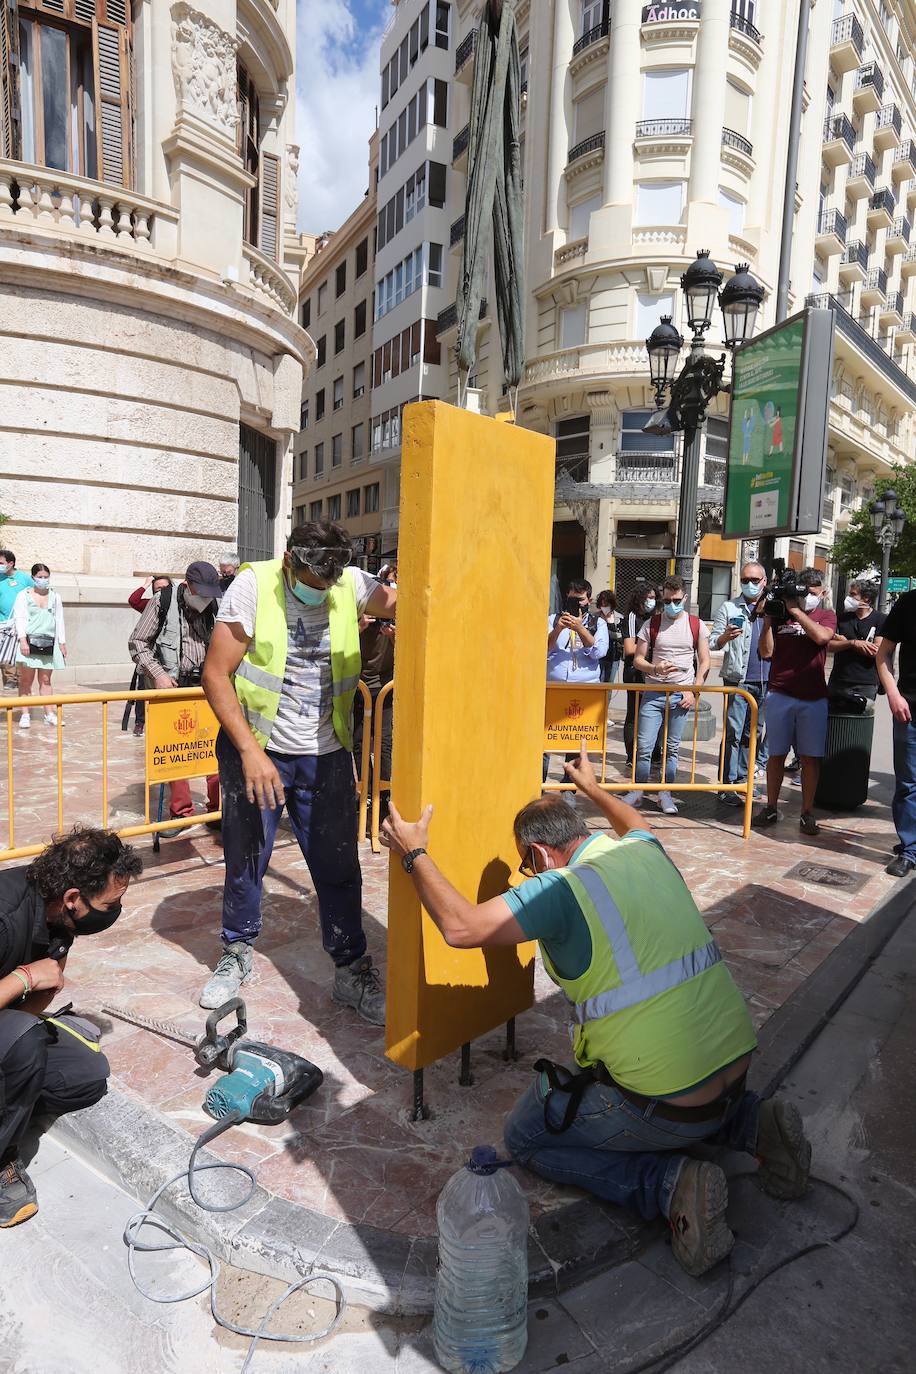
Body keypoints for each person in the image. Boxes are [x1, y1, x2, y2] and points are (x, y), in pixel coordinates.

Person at [378, 748, 811, 1278]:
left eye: (523, 866)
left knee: (526, 1135)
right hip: (737, 1073)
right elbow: (635, 820)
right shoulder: (645, 850)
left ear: (538, 855)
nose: (526, 875)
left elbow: (462, 928)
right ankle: (753, 1126)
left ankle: (670, 1186)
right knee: (677, 1089)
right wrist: (594, 791)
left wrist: (413, 853)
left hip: (668, 1108)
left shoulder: (562, 888)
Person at [199, 521, 397, 1022]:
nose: (320, 590)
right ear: (290, 562)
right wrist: (248, 750)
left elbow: (413, 603)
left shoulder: (349, 583)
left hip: (326, 756)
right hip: (257, 750)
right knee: (246, 856)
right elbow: (216, 673)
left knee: (338, 866)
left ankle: (351, 969)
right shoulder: (253, 585)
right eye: (312, 581)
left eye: (328, 583)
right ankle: (236, 951)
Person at [0, 826, 142, 1226]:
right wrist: (23, 980)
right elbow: (33, 985)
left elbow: (45, 991)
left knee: (84, 1075)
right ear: (73, 898)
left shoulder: (61, 918)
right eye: (111, 902)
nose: (115, 909)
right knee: (23, 1043)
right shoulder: (5, 915)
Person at [128, 561, 222, 821]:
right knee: (176, 752)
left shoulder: (214, 605)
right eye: (200, 592)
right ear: (187, 586)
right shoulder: (163, 601)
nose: (205, 599)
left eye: (209, 593)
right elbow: (137, 642)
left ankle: (217, 810)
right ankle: (181, 812)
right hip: (173, 685)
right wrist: (157, 674)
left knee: (215, 749)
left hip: (207, 687)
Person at [754, 568, 836, 836]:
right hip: (780, 693)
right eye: (806, 593)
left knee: (810, 758)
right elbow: (766, 653)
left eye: (814, 593)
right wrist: (768, 621)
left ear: (821, 593)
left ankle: (807, 812)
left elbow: (823, 638)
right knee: (775, 755)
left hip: (813, 697)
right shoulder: (779, 616)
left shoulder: (826, 615)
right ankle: (771, 806)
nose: (810, 597)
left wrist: (797, 612)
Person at [624, 575, 710, 816]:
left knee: (671, 748)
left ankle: (665, 793)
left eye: (677, 599)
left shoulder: (696, 624)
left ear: (684, 597)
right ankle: (638, 790)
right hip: (653, 693)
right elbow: (638, 659)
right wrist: (654, 668)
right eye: (668, 600)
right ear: (663, 598)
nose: (673, 604)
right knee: (644, 747)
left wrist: (694, 691)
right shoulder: (651, 624)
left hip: (680, 694)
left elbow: (704, 661)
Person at [709, 561, 769, 808]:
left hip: (766, 680)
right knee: (733, 731)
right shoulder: (729, 607)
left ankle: (744, 780)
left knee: (752, 733)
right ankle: (727, 784)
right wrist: (725, 636)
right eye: (746, 580)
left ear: (764, 581)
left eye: (755, 580)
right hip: (738, 679)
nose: (750, 584)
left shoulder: (773, 609)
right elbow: (713, 642)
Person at [544, 579, 608, 786]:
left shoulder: (598, 623)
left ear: (588, 600)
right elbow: (543, 648)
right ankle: (539, 786)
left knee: (575, 743)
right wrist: (558, 630)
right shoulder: (553, 620)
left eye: (580, 600)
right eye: (572, 599)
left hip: (584, 692)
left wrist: (580, 629)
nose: (575, 604)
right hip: (553, 690)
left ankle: (569, 789)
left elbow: (599, 652)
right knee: (544, 742)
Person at [876, 591, 916, 877]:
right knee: (908, 783)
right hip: (909, 708)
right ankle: (910, 848)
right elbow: (883, 652)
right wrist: (893, 694)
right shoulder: (908, 603)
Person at [13, 564, 67, 729]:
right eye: (40, 576)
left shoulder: (55, 596)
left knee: (46, 680)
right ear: (33, 578)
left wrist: (62, 642)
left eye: (46, 577)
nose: (43, 580)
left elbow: (59, 619)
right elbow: (19, 618)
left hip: (48, 642)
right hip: (29, 642)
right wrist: (22, 640)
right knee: (26, 680)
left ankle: (49, 713)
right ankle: (25, 714)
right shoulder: (23, 595)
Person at [125, 576, 172, 737]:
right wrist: (145, 584)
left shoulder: (178, 604)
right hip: (149, 655)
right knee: (143, 690)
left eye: (166, 587)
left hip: (169, 656)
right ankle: (140, 722)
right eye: (158, 589)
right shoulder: (151, 604)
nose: (162, 591)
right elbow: (133, 600)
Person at [621, 583, 660, 769]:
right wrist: (651, 646)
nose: (651, 601)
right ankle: (631, 755)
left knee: (653, 712)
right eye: (647, 598)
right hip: (635, 672)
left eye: (653, 597)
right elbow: (629, 648)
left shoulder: (657, 618)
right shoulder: (631, 617)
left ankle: (653, 753)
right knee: (634, 714)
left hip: (653, 671)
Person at [827, 580, 884, 706]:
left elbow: (875, 651)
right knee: (836, 722)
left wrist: (845, 642)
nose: (848, 598)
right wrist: (851, 643)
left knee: (861, 722)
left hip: (866, 684)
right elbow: (829, 646)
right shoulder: (841, 619)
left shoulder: (880, 620)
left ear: (866, 598)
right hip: (839, 680)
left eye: (853, 595)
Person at [0, 551, 33, 693]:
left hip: (21, 623)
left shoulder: (24, 578)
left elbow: (35, 593)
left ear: (11, 563)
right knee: (4, 654)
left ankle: (22, 682)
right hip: (3, 623)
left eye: (1, 563)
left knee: (20, 654)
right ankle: (9, 679)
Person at [596, 590, 623, 685]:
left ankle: (607, 700)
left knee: (609, 683)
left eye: (606, 605)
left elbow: (621, 637)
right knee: (598, 681)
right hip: (598, 656)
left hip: (613, 657)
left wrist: (610, 624)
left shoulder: (619, 618)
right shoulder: (595, 617)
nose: (604, 608)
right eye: (602, 605)